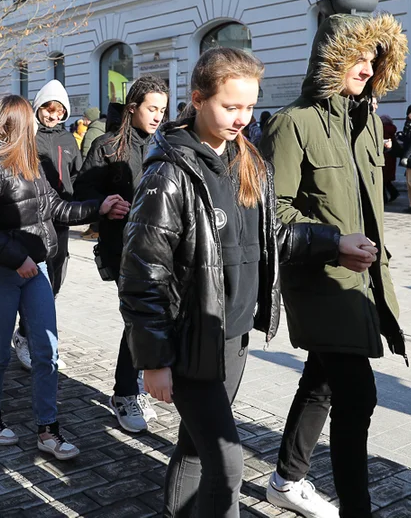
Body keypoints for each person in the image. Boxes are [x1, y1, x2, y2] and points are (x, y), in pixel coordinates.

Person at [119, 48, 343, 518]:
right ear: (198, 99)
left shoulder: (249, 162)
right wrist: (154, 359)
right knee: (228, 462)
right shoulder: (168, 174)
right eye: (230, 106)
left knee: (196, 447)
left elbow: (271, 238)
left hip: (234, 334)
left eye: (249, 106)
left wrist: (334, 243)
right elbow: (143, 275)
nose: (242, 118)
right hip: (188, 341)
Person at [261, 9, 409, 518]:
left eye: (374, 59)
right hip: (318, 279)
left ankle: (286, 479)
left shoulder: (367, 123)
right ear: (331, 57)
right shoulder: (292, 123)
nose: (367, 68)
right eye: (357, 57)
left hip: (362, 282)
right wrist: (333, 243)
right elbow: (272, 213)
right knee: (358, 395)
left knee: (321, 382)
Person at [0, 95, 125, 460]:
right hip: (0, 272)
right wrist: (16, 256)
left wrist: (98, 208)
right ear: (19, 124)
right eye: (32, 121)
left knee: (47, 351)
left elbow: (56, 207)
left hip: (36, 271)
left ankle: (48, 429)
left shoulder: (32, 162)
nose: (39, 125)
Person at [75, 75, 169, 434]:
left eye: (162, 109)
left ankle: (137, 384)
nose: (158, 116)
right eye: (151, 109)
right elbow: (81, 193)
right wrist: (103, 205)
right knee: (136, 320)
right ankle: (124, 392)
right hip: (124, 249)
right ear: (133, 108)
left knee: (152, 320)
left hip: (161, 250)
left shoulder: (165, 146)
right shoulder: (106, 146)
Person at [8, 79, 84, 371]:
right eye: (48, 110)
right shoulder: (30, 138)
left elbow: (76, 175)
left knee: (54, 280)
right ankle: (29, 338)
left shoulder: (67, 139)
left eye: (58, 111)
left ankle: (32, 334)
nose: (53, 116)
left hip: (62, 217)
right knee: (35, 282)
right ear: (38, 108)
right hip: (36, 218)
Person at [375, 98, 400, 203]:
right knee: (386, 180)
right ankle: (393, 194)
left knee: (383, 180)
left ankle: (384, 199)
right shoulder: (392, 130)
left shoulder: (383, 130)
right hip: (391, 158)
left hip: (385, 157)